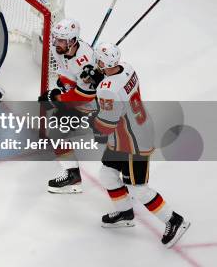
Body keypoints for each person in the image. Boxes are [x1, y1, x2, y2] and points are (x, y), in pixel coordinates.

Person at [91, 42, 190, 248]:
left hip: (134, 142)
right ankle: (126, 213)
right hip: (126, 134)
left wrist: (92, 122)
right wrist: (102, 80)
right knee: (107, 174)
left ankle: (174, 220)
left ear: (102, 62)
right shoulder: (127, 68)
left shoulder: (106, 90)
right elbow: (116, 88)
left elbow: (106, 124)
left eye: (98, 60)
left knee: (138, 188)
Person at [38, 19, 97, 193]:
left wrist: (57, 97)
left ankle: (73, 177)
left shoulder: (85, 62)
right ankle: (73, 175)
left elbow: (84, 96)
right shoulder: (61, 48)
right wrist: (63, 84)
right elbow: (65, 70)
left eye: (61, 40)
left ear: (72, 41)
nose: (56, 43)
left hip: (93, 102)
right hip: (81, 94)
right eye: (55, 38)